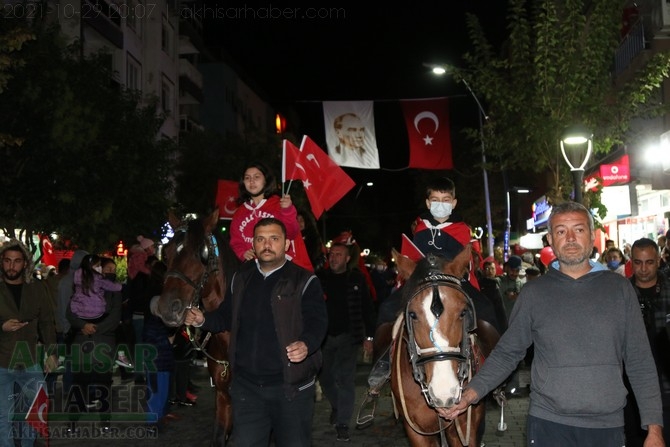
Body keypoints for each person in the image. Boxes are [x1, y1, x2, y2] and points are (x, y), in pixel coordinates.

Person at [441, 201, 665, 447]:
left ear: (592, 237)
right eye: (561, 231)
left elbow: (640, 361)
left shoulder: (620, 289)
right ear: (550, 239)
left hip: (607, 425)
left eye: (578, 230)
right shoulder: (534, 293)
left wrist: (654, 429)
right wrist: (471, 393)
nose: (570, 238)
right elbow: (508, 352)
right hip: (548, 423)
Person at [184, 217, 327, 447]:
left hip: (291, 389)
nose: (267, 244)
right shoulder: (241, 278)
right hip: (247, 389)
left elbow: (318, 322)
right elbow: (226, 316)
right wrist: (203, 319)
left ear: (286, 244)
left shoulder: (304, 280)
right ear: (254, 244)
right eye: (260, 239)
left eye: (274, 239)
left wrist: (306, 344)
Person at [0, 239, 58, 447]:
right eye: (7, 261)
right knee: (3, 417)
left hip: (30, 359)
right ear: (1, 262)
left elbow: (47, 322)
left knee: (34, 413)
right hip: (2, 361)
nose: (11, 266)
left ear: (24, 263)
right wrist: (2, 327)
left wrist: (52, 353)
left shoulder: (36, 288)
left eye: (16, 261)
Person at [317, 242, 376, 442]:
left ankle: (343, 423)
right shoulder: (320, 278)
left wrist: (369, 337)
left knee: (345, 381)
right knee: (325, 378)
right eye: (331, 254)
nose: (333, 258)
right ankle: (337, 405)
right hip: (324, 338)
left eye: (338, 254)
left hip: (349, 338)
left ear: (347, 258)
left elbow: (368, 308)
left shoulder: (356, 278)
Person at [66, 256, 122, 434]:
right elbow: (70, 311)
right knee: (79, 382)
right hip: (82, 342)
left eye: (112, 270)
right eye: (105, 268)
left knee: (104, 384)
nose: (108, 272)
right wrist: (83, 325)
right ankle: (73, 422)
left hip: (104, 343)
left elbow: (115, 317)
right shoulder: (82, 285)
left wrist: (93, 328)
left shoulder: (114, 291)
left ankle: (105, 422)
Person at [624, 237, 670, 445]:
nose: (643, 269)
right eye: (638, 262)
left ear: (659, 260)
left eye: (649, 262)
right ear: (631, 261)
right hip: (631, 389)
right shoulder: (621, 294)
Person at [229, 161, 311, 271]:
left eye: (256, 177)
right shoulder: (239, 213)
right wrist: (242, 253)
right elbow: (236, 241)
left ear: (266, 180)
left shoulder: (279, 205)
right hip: (254, 271)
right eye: (247, 178)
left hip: (284, 269)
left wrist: (287, 210)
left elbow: (292, 232)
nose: (251, 181)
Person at [412, 177, 480, 290]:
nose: (440, 204)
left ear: (453, 203)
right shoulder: (420, 228)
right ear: (428, 203)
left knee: (486, 306)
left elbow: (464, 262)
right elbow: (413, 258)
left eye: (445, 200)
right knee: (387, 307)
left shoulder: (462, 230)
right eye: (435, 200)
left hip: (456, 280)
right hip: (423, 280)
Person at [69, 254, 122, 320]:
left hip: (79, 313)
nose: (111, 272)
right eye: (108, 269)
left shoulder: (77, 278)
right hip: (96, 314)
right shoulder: (98, 279)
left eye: (114, 270)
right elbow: (112, 286)